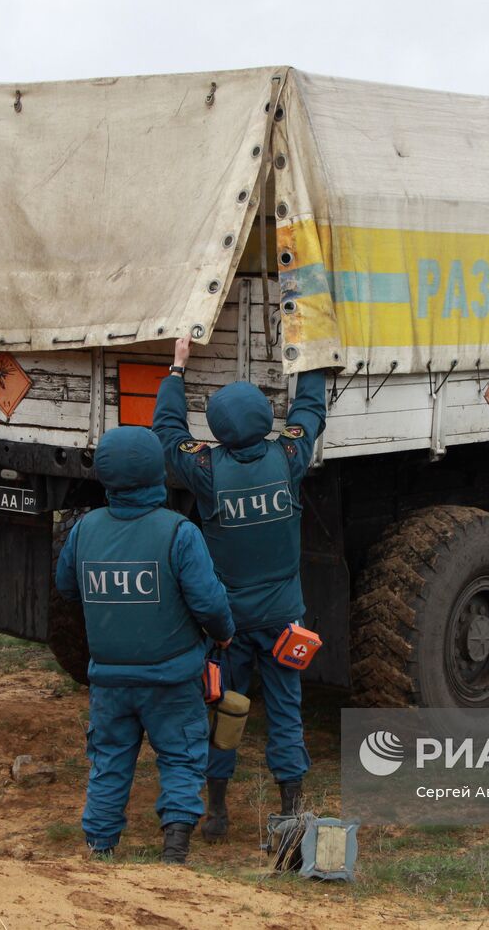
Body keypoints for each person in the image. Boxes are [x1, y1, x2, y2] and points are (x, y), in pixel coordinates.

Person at [152, 336, 327, 842]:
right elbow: (310, 408)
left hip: (228, 628)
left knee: (225, 709)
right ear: (265, 418)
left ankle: (218, 814)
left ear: (220, 432)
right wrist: (310, 354)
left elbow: (167, 432)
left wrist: (178, 369)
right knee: (286, 709)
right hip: (283, 623)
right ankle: (291, 809)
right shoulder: (290, 455)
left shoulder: (206, 471)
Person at [55, 426, 234, 864]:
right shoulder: (179, 532)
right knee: (180, 756)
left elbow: (66, 587)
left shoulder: (83, 530)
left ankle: (100, 848)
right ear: (158, 470)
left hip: (109, 681)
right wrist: (224, 632)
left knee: (109, 761)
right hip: (171, 677)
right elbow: (209, 603)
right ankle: (174, 849)